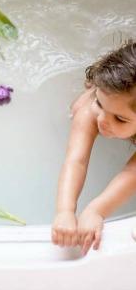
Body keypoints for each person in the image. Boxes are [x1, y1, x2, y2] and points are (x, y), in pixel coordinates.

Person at [51, 40, 136, 256]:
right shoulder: (91, 109)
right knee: (79, 107)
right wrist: (65, 211)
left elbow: (132, 172)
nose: (103, 122)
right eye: (100, 104)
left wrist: (96, 210)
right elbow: (75, 161)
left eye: (119, 119)